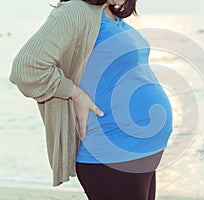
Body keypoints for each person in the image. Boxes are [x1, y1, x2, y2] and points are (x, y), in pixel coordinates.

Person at [9, 0, 173, 199]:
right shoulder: (76, 10)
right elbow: (25, 68)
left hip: (144, 150)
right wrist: (74, 93)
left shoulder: (112, 16)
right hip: (112, 151)